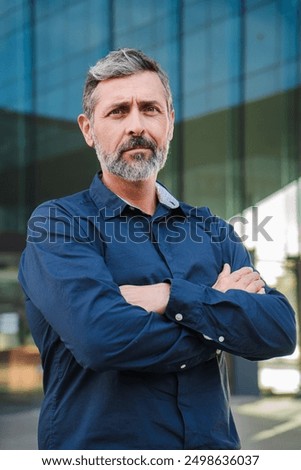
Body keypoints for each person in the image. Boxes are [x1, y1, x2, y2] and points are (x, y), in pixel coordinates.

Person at [18, 48, 296, 450]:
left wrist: (167, 296)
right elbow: (101, 339)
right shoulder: (59, 225)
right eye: (117, 112)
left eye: (150, 109)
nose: (136, 125)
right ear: (88, 129)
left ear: (169, 123)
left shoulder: (212, 230)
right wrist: (217, 312)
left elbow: (278, 330)